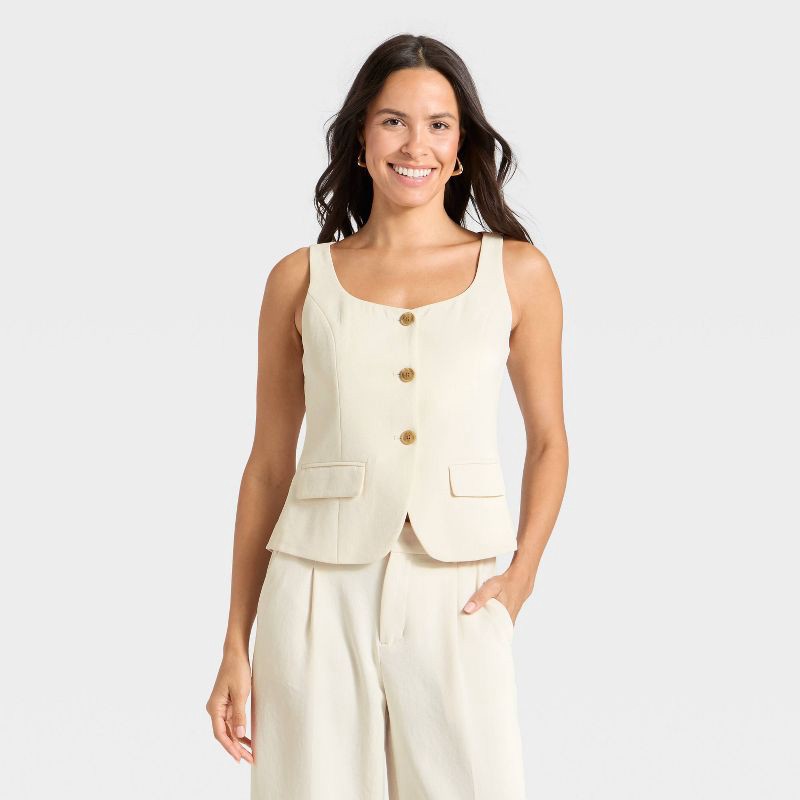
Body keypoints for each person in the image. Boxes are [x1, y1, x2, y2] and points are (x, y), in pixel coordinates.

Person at [206, 33, 568, 799]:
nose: (416, 145)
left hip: (457, 589)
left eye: (439, 125)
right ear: (362, 140)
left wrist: (521, 577)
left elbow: (548, 442)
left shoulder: (518, 272)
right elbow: (268, 464)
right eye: (393, 121)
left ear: (462, 149)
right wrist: (237, 639)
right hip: (313, 590)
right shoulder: (299, 280)